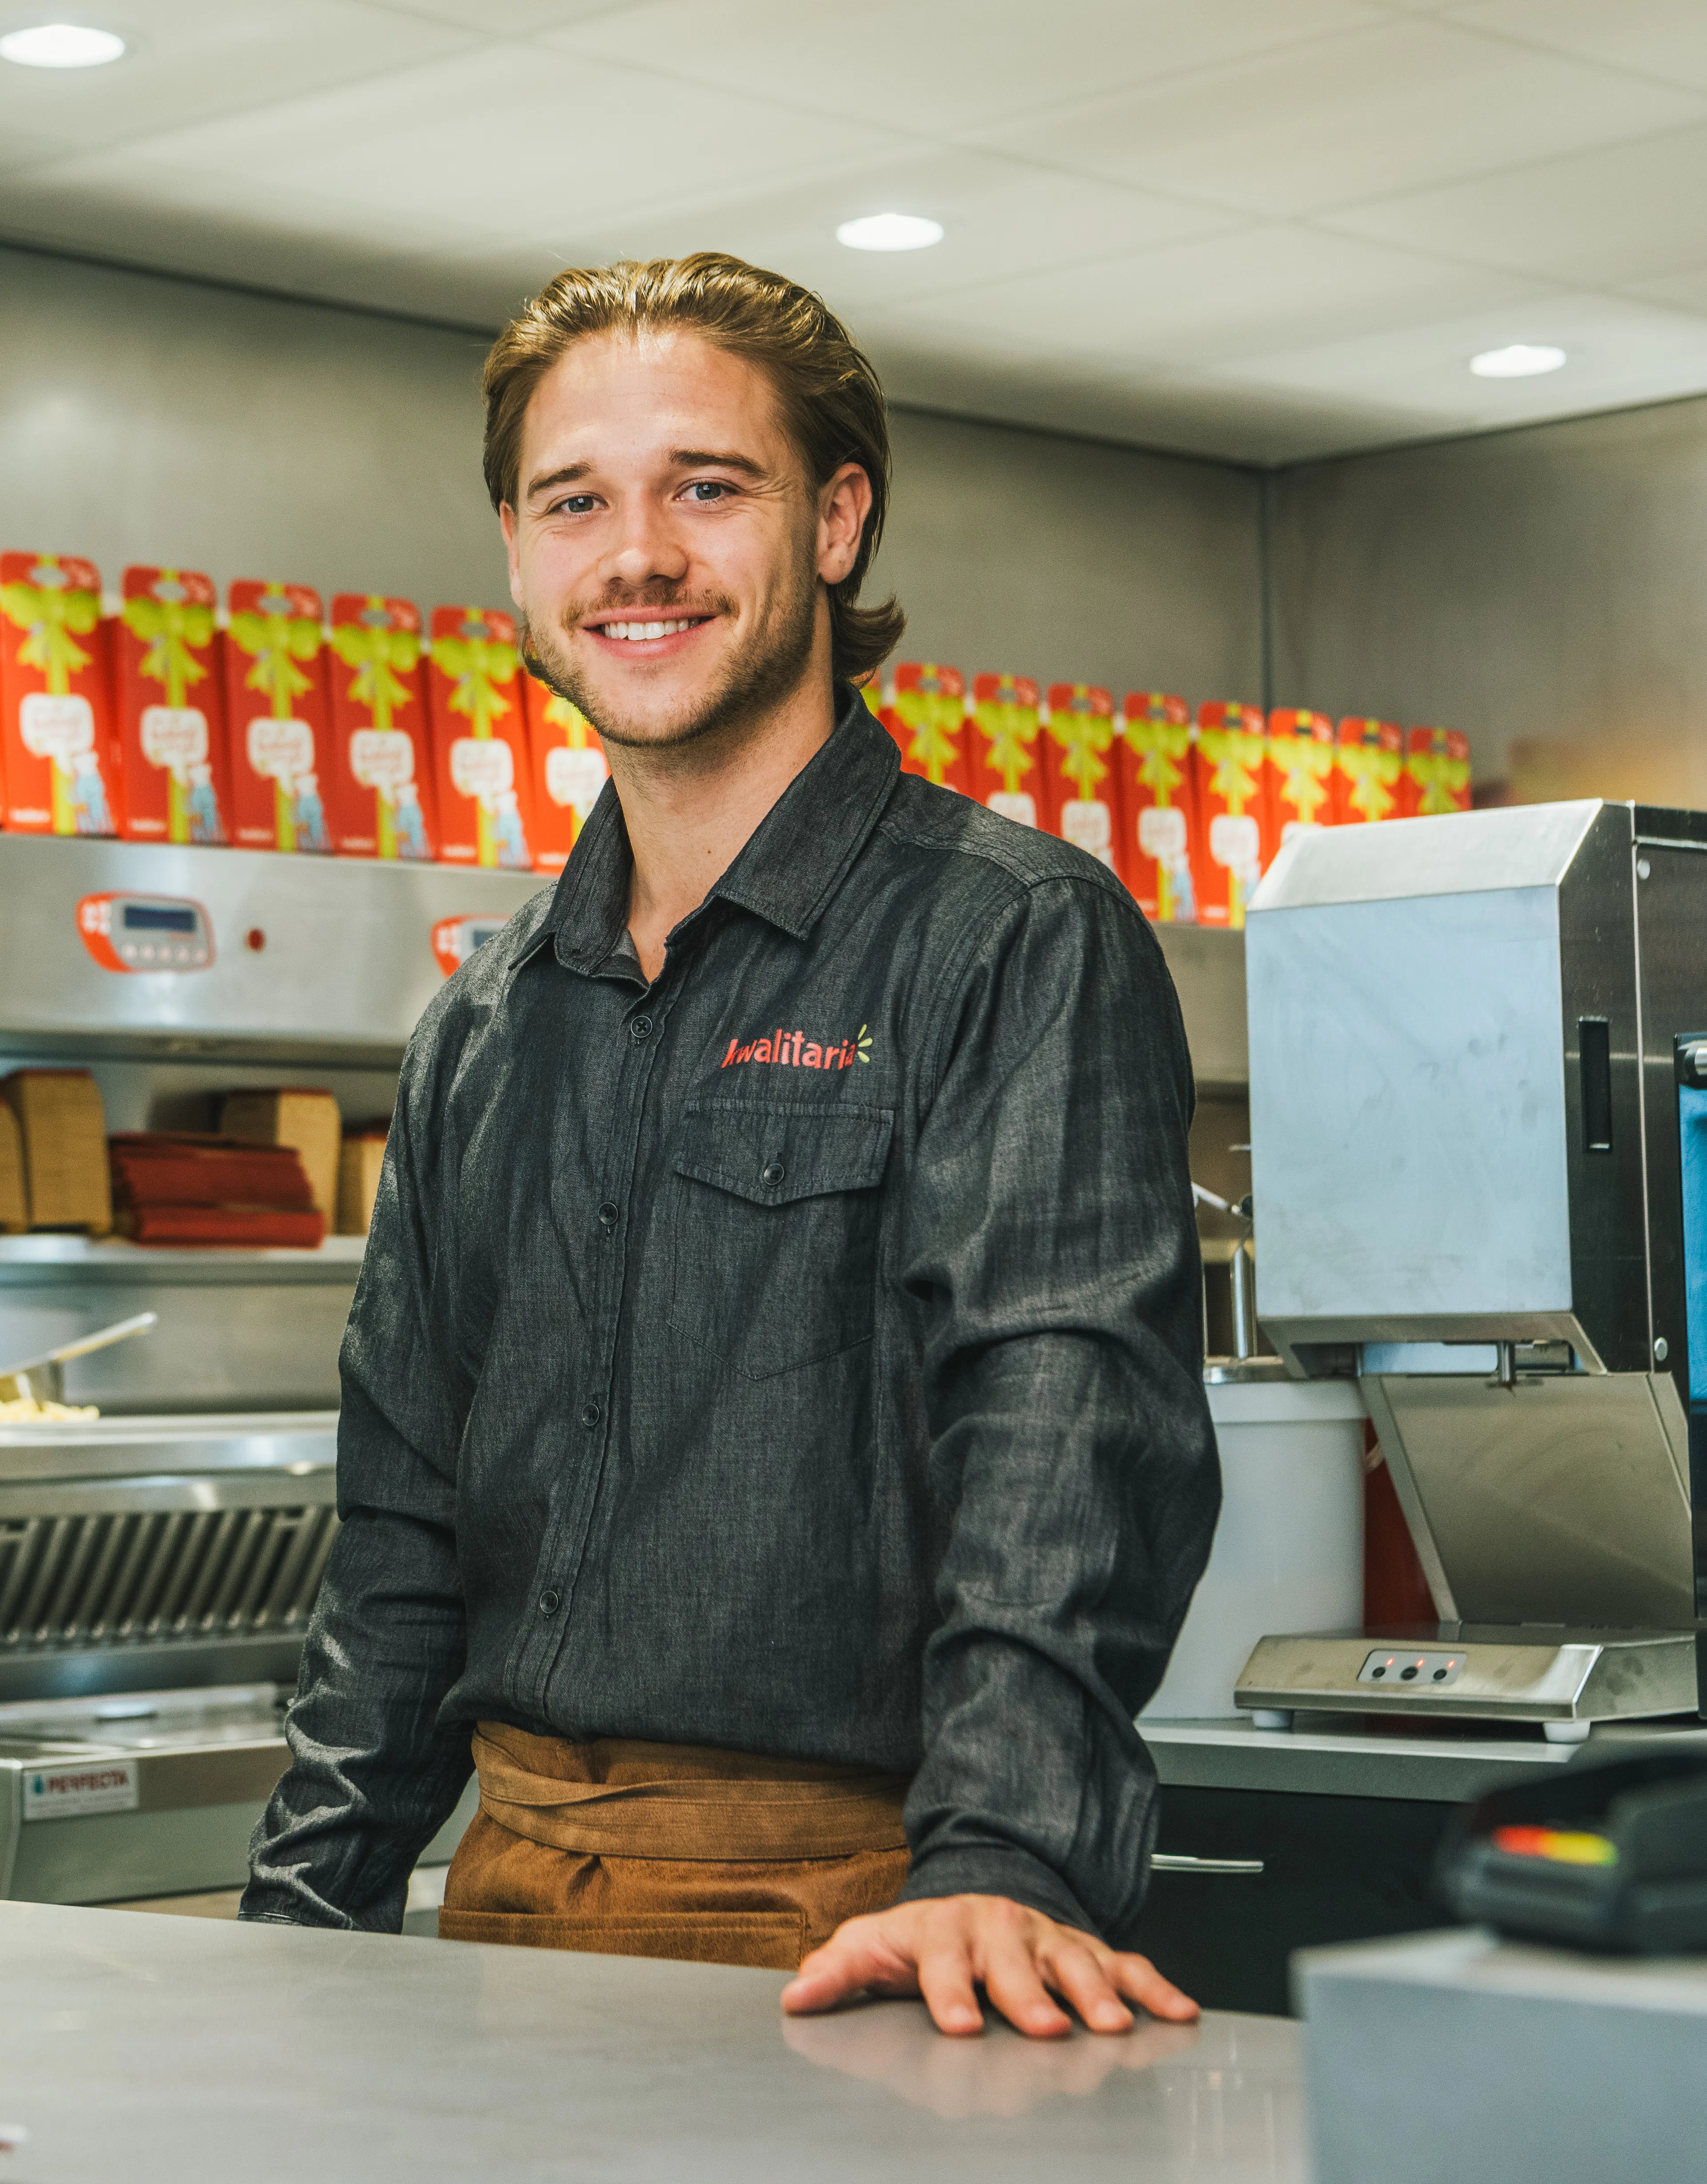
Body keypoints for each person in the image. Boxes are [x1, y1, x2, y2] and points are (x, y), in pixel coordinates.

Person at [240, 253, 1219, 2039]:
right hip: (515, 1915)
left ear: (835, 522)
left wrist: (1003, 1857)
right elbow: (397, 1536)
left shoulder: (1007, 938)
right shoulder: (483, 1020)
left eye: (708, 486)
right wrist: (289, 1914)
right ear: (519, 557)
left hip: (875, 1936)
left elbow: (1064, 1428)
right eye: (575, 502)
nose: (639, 555)